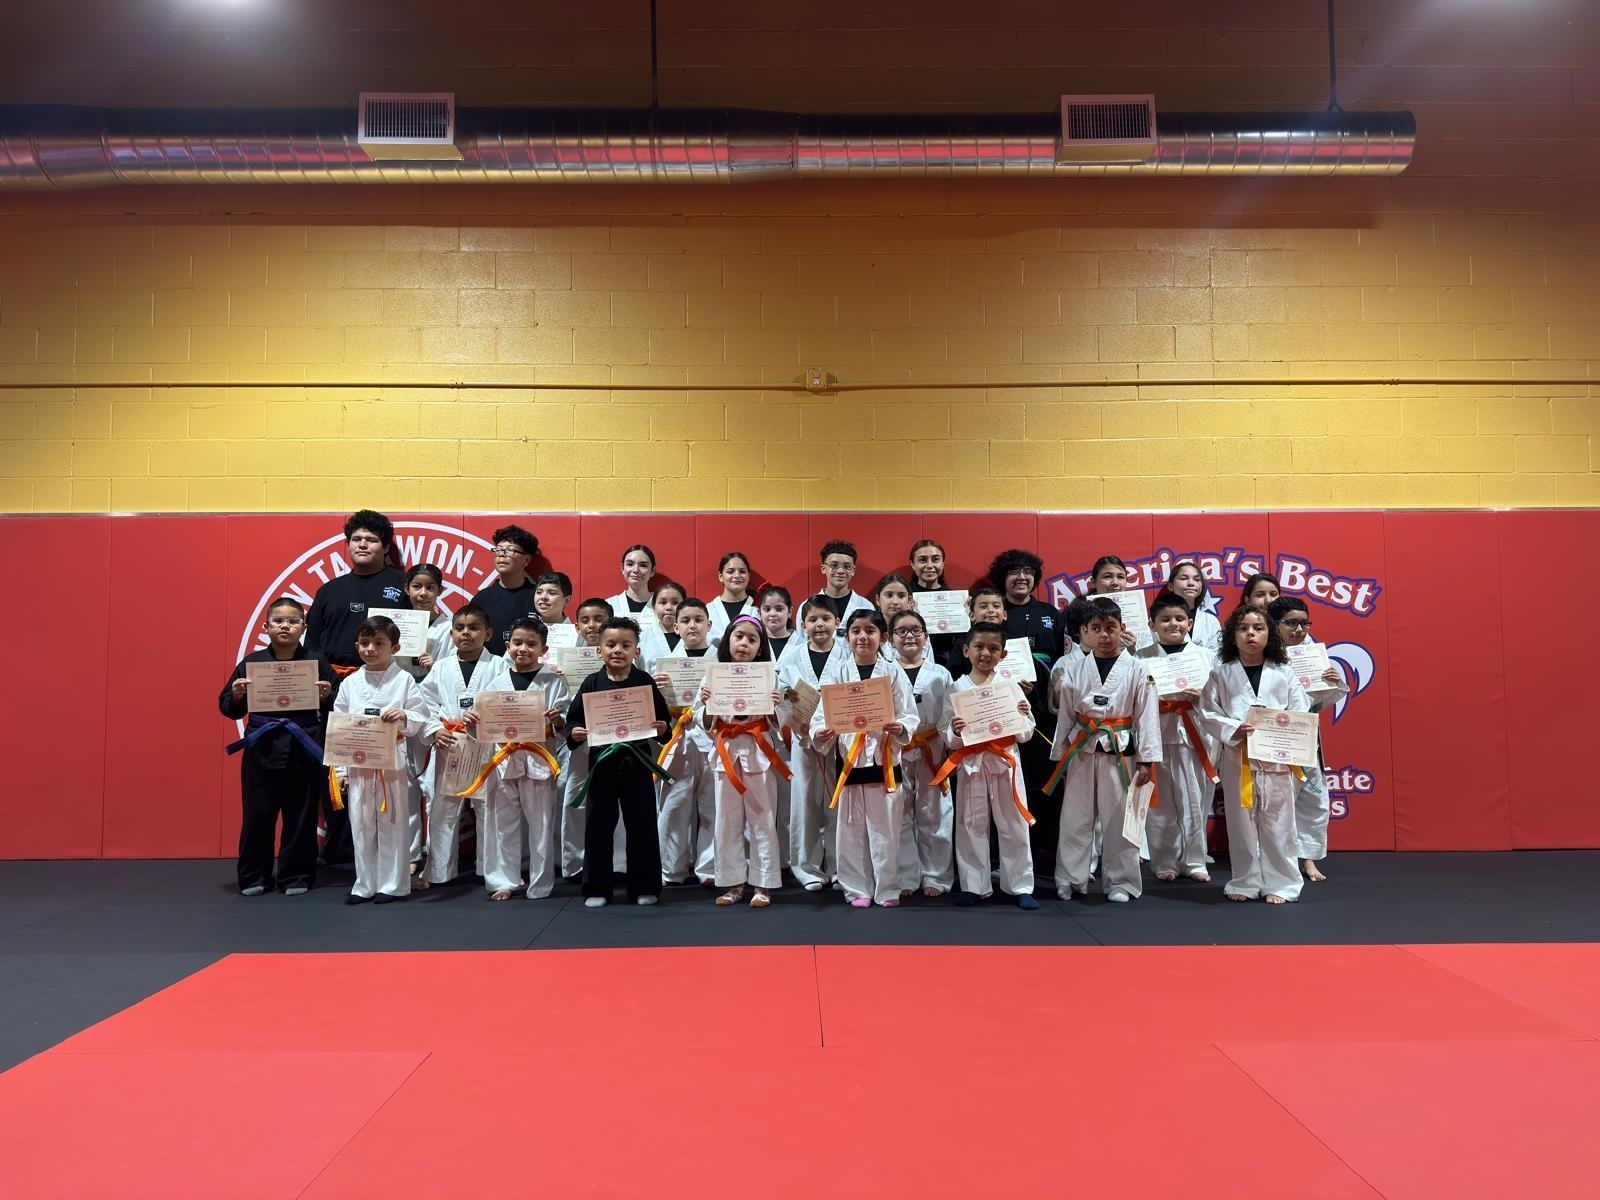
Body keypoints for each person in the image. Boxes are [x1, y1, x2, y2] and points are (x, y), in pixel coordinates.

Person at [304, 509, 407, 863]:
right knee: (337, 765)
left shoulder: (400, 586)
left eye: (371, 539)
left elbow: (410, 640)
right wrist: (328, 684)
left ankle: (383, 847)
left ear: (385, 546)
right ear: (348, 545)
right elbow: (312, 645)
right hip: (335, 689)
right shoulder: (329, 591)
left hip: (385, 687)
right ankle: (336, 841)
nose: (362, 545)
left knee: (381, 765)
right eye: (356, 539)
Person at [219, 598, 337, 896]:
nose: (285, 626)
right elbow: (228, 708)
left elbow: (339, 703)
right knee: (258, 815)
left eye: (293, 621)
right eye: (278, 621)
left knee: (301, 816)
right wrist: (236, 695)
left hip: (304, 746)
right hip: (263, 748)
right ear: (266, 627)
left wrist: (326, 696)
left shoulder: (316, 660)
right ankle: (253, 876)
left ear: (304, 627)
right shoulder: (252, 662)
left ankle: (295, 876)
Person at [1049, 597, 1159, 902]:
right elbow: (1066, 714)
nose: (1104, 634)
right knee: (1075, 817)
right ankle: (1071, 878)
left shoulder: (1138, 669)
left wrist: (1147, 759)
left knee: (1121, 819)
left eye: (1111, 627)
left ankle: (1121, 881)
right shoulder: (1075, 668)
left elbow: (1147, 716)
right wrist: (1061, 755)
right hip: (1082, 749)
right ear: (1084, 632)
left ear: (1122, 628)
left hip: (1121, 750)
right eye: (1095, 628)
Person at [1200, 605, 1311, 904]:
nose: (1251, 633)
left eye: (1258, 628)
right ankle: (1245, 881)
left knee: (1279, 823)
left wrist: (1281, 728)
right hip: (1239, 757)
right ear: (1232, 636)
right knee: (1241, 823)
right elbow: (1208, 712)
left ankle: (1284, 883)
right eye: (1244, 628)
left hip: (1277, 757)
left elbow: (1301, 711)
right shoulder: (1221, 672)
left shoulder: (1284, 672)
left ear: (1269, 634)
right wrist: (1233, 728)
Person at [809, 609, 918, 907]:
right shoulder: (837, 672)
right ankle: (856, 888)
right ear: (848, 637)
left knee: (887, 830)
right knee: (851, 829)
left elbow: (909, 713)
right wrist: (821, 732)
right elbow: (821, 715)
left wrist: (902, 727)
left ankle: (888, 889)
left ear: (883, 637)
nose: (862, 637)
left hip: (885, 761)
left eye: (870, 631)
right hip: (851, 762)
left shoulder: (893, 672)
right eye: (856, 630)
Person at [565, 617, 673, 907]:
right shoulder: (591, 682)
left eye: (625, 645)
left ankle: (645, 887)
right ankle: (597, 888)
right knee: (598, 825)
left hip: (637, 765)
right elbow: (574, 718)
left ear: (636, 651)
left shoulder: (644, 682)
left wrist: (663, 729)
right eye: (610, 645)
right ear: (599, 650)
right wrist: (574, 732)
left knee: (643, 824)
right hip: (601, 765)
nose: (617, 651)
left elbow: (664, 720)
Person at [934, 621, 1038, 909]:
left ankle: (1020, 886)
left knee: (1014, 824)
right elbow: (947, 737)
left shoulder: (1010, 687)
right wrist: (955, 730)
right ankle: (972, 885)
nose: (985, 653)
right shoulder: (956, 688)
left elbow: (1026, 733)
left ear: (1003, 655)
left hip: (1005, 762)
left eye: (993, 648)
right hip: (971, 763)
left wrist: (1022, 715)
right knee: (970, 824)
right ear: (966, 650)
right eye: (979, 647)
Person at [466, 617, 571, 901]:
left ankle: (540, 883)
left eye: (531, 644)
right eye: (517, 643)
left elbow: (564, 726)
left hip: (538, 758)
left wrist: (557, 720)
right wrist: (471, 721)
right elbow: (481, 728)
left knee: (541, 823)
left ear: (543, 648)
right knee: (502, 822)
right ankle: (504, 880)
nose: (522, 649)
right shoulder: (494, 681)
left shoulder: (554, 682)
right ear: (507, 645)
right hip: (502, 759)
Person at [329, 615, 427, 904]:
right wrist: (342, 771)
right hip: (359, 760)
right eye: (364, 643)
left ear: (395, 647)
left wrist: (405, 716)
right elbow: (340, 725)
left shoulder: (404, 679)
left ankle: (393, 885)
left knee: (392, 822)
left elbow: (420, 717)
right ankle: (364, 884)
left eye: (378, 643)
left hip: (391, 761)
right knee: (360, 822)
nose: (370, 648)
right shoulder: (350, 683)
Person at [695, 613, 789, 908]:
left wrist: (775, 706)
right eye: (739, 637)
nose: (744, 644)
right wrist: (708, 705)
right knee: (726, 820)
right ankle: (732, 883)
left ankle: (764, 884)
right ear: (728, 641)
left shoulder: (769, 675)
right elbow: (700, 716)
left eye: (752, 639)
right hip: (726, 752)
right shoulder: (714, 674)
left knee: (762, 818)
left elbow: (781, 718)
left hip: (758, 752)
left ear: (761, 647)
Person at [417, 604, 509, 891]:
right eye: (460, 628)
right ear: (452, 633)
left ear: (488, 633)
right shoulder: (440, 668)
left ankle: (490, 870)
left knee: (488, 808)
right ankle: (439, 872)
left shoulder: (499, 666)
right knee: (443, 809)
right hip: (450, 745)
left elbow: (510, 705)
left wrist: (487, 716)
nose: (466, 633)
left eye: (473, 628)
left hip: (488, 746)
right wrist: (436, 730)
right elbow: (424, 705)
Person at [987, 549, 1064, 876]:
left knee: (1041, 781)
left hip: (1042, 711)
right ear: (1003, 578)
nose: (1021, 577)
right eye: (1014, 571)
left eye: (1027, 571)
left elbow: (1062, 660)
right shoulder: (992, 612)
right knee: (1004, 785)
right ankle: (998, 855)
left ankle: (1042, 849)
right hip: (999, 711)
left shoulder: (1049, 613)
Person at [1136, 590, 1218, 883]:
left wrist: (1203, 698)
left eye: (1180, 619)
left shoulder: (1207, 658)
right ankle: (1163, 860)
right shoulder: (1139, 659)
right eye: (1165, 619)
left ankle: (1195, 859)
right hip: (1156, 734)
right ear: (1152, 624)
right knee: (1160, 803)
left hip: (1195, 735)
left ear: (1191, 623)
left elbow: (1222, 700)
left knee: (1196, 799)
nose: (1173, 624)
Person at [1268, 597, 1348, 883]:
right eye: (1291, 623)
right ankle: (1277, 861)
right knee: (1275, 803)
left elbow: (1325, 700)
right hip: (1271, 738)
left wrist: (1332, 681)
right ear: (1274, 624)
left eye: (1304, 623)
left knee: (1314, 800)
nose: (1299, 629)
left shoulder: (1310, 653)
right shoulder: (1260, 656)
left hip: (1305, 736)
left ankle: (1308, 859)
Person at [775, 596, 842, 890]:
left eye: (826, 619)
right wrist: (791, 716)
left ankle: (842, 868)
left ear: (837, 623)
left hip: (840, 743)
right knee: (803, 804)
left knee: (840, 806)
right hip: (803, 741)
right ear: (803, 625)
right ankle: (807, 869)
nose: (819, 625)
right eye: (813, 620)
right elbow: (780, 702)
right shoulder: (790, 659)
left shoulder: (848, 656)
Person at [889, 610, 955, 898]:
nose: (909, 636)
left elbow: (950, 716)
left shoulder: (940, 674)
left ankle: (936, 876)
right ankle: (904, 875)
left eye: (916, 630)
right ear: (890, 639)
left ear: (926, 637)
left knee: (935, 814)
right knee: (898, 813)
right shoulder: (884, 672)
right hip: (895, 749)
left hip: (932, 747)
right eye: (901, 631)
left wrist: (947, 744)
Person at [652, 597, 717, 885]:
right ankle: (671, 869)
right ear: (675, 626)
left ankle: (709, 868)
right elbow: (653, 711)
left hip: (712, 740)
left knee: (712, 806)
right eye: (686, 621)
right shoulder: (663, 666)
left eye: (698, 620)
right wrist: (658, 692)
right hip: (676, 740)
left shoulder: (719, 662)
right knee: (674, 805)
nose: (693, 626)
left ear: (709, 624)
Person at [397, 562, 453, 877]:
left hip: (434, 714)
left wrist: (437, 662)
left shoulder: (448, 627)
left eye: (429, 587)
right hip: (403, 711)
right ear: (407, 589)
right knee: (405, 787)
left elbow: (453, 668)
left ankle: (435, 859)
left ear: (439, 591)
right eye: (416, 586)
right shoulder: (394, 624)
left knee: (433, 788)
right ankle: (409, 855)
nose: (422, 593)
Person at [470, 524, 542, 657]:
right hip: (488, 672)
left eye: (510, 550)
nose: (502, 555)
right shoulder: (482, 599)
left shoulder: (539, 597)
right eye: (499, 550)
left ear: (526, 560)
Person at [907, 537, 957, 668]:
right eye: (922, 560)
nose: (929, 565)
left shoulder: (955, 599)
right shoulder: (904, 597)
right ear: (912, 564)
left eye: (935, 559)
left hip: (948, 663)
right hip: (911, 660)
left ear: (942, 563)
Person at [813, 540, 874, 626]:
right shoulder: (808, 607)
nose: (840, 571)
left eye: (847, 566)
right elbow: (802, 638)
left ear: (853, 570)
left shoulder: (865, 606)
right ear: (823, 568)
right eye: (834, 565)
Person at [1169, 560, 1222, 654]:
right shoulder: (1159, 619)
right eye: (1184, 578)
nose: (1191, 583)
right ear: (1170, 586)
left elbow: (1218, 656)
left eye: (1197, 579)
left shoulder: (1210, 621)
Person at [707, 551, 759, 645]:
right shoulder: (708, 610)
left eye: (742, 571)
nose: (737, 575)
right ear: (721, 576)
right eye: (730, 571)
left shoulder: (758, 609)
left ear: (749, 576)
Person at [606, 544, 658, 618]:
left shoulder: (662, 605)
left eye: (643, 565)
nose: (636, 570)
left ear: (652, 571)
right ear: (622, 569)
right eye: (630, 564)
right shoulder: (610, 605)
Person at [758, 584, 802, 660]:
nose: (772, 614)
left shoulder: (801, 643)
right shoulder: (756, 641)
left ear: (790, 612)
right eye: (767, 609)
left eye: (779, 609)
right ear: (760, 612)